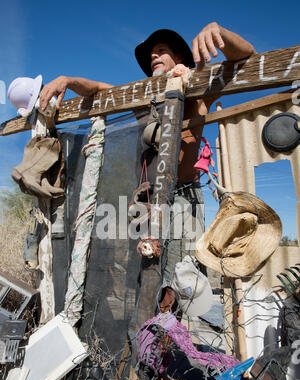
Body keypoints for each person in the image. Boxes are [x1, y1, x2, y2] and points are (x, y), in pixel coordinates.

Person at [39, 23, 255, 317]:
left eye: (161, 51)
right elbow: (100, 91)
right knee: (142, 276)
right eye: (150, 54)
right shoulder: (143, 100)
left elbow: (244, 59)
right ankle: (141, 343)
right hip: (145, 201)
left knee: (180, 282)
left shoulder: (197, 88)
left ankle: (169, 346)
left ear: (180, 58)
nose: (154, 56)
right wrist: (67, 79)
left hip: (181, 198)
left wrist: (220, 33)